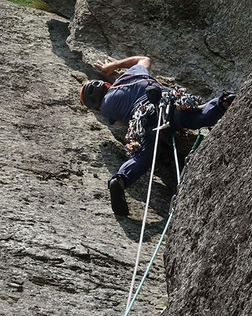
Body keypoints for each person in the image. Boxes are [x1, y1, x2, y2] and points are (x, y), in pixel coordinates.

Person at [80, 55, 235, 216]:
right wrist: (113, 66)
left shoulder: (106, 108)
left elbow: (124, 123)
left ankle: (120, 179)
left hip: (143, 119)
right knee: (198, 116)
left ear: (96, 106)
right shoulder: (132, 75)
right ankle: (222, 102)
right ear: (107, 83)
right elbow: (144, 59)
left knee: (142, 157)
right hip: (166, 103)